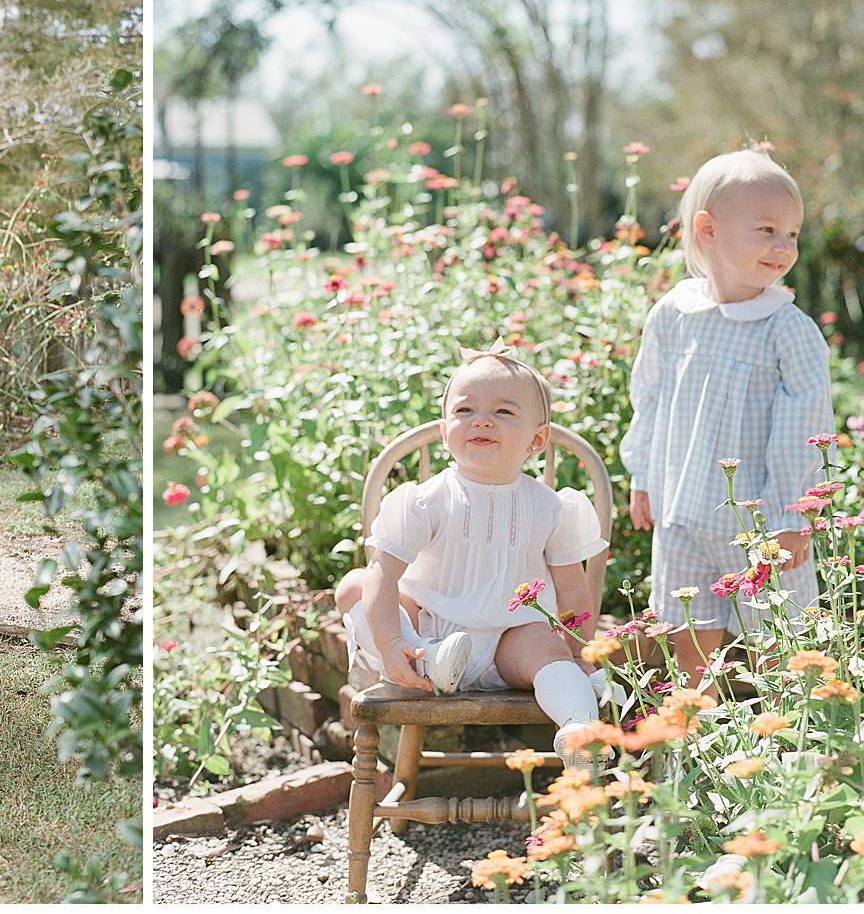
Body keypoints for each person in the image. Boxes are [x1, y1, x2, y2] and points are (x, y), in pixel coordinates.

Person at [334, 346, 611, 773]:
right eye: (465, 410)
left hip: (509, 643)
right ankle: (430, 657)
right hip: (424, 636)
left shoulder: (551, 508)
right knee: (355, 585)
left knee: (548, 648)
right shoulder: (427, 501)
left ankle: (578, 726)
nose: (482, 420)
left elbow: (573, 588)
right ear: (445, 431)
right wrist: (392, 645)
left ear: (537, 440)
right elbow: (385, 574)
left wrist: (574, 652)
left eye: (503, 411)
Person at [620, 148, 832, 691]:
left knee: (779, 637)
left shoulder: (787, 329)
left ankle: (788, 730)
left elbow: (805, 429)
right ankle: (698, 730)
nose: (784, 247)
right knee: (691, 633)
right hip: (681, 514)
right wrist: (643, 476)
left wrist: (793, 514)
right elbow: (649, 398)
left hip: (760, 523)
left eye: (792, 234)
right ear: (708, 230)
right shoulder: (674, 315)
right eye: (767, 230)